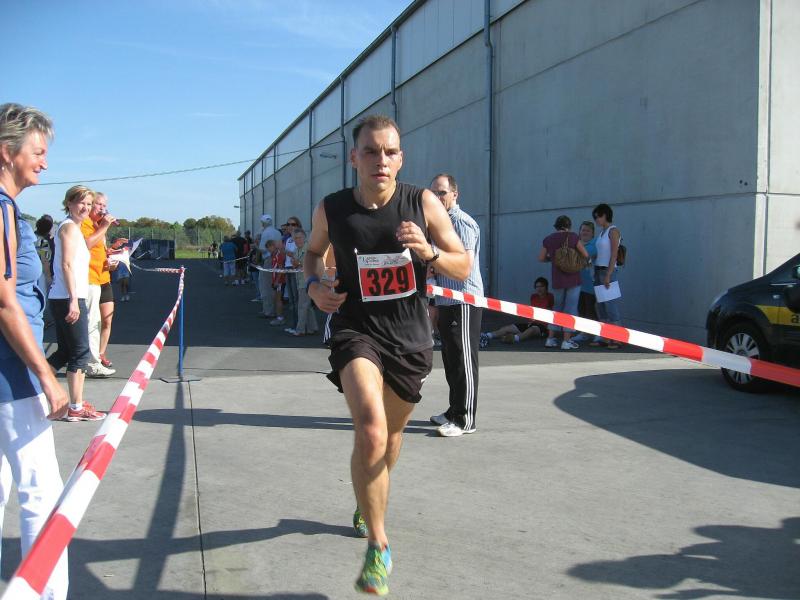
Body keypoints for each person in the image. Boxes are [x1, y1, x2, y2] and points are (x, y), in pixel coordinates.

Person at [304, 114, 469, 595]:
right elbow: (312, 254)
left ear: (401, 158)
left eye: (390, 151)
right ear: (353, 158)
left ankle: (366, 501)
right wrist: (314, 286)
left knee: (390, 438)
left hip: (409, 338)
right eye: (371, 151)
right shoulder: (332, 208)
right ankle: (379, 545)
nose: (381, 160)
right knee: (371, 429)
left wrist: (429, 253)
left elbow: (463, 265)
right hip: (356, 330)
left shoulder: (422, 203)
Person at [0, 102, 69, 600]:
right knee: (42, 493)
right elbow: (5, 301)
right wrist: (46, 375)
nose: (44, 162)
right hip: (10, 371)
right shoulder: (2, 208)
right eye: (37, 152)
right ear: (7, 152)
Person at [427, 173, 483, 437]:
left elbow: (465, 265)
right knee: (450, 358)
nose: (437, 198)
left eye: (442, 193)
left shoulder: (461, 223)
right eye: (433, 193)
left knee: (464, 359)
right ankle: (453, 411)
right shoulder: (440, 224)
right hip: (445, 299)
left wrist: (433, 260)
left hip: (464, 299)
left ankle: (465, 419)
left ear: (454, 195)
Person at [48, 185, 107, 423]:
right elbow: (66, 265)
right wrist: (73, 300)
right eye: (81, 202)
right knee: (80, 353)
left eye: (89, 204)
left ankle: (34, 389)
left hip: (67, 296)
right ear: (69, 203)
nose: (86, 207)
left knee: (64, 352)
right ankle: (76, 406)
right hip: (69, 298)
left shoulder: (74, 228)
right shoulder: (70, 228)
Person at [82, 191, 126, 373]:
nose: (102, 209)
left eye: (105, 206)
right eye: (99, 204)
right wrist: (104, 226)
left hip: (104, 277)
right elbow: (87, 245)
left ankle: (100, 354)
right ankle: (88, 358)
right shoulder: (84, 223)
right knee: (92, 322)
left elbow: (101, 251)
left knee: (107, 320)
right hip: (90, 279)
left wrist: (113, 252)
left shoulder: (99, 226)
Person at [539, 215, 588, 350]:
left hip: (557, 279)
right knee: (570, 308)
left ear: (556, 226)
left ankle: (550, 339)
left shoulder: (548, 239)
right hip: (573, 278)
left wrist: (553, 260)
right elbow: (585, 254)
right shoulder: (573, 237)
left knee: (557, 308)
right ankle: (566, 341)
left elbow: (541, 258)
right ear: (569, 226)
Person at [480, 277, 554, 346]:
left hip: (542, 327)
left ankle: (514, 338)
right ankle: (487, 335)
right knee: (507, 328)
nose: (539, 289)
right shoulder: (533, 297)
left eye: (541, 286)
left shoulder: (550, 296)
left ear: (546, 287)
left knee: (532, 330)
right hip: (531, 324)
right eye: (537, 287)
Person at [591, 203, 623, 349]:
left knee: (610, 305)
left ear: (605, 215)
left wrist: (609, 274)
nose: (596, 220)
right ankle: (605, 337)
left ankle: (617, 338)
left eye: (598, 216)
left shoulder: (613, 231)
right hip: (598, 270)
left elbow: (614, 254)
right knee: (601, 306)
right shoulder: (602, 232)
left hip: (607, 270)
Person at [572, 220, 598, 343]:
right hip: (577, 284)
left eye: (588, 230)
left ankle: (597, 333)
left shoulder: (594, 244)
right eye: (583, 230)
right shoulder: (576, 244)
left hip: (590, 285)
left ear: (592, 233)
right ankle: (584, 333)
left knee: (590, 310)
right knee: (581, 309)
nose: (585, 232)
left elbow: (584, 255)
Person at [288, 228, 317, 336]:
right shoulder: (297, 250)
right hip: (300, 280)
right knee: (307, 305)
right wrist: (295, 263)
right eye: (295, 238)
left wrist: (297, 263)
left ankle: (300, 330)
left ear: (305, 237)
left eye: (299, 237)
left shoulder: (309, 249)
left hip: (308, 281)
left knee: (302, 306)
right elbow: (296, 265)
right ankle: (312, 328)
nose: (297, 240)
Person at [258, 214, 282, 318]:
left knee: (266, 286)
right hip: (277, 259)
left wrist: (255, 246)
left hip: (268, 260)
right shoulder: (277, 232)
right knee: (274, 286)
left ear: (263, 223)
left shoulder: (265, 233)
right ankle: (275, 310)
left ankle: (268, 310)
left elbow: (263, 249)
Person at [283, 217, 302, 332]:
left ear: (298, 225)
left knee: (296, 299)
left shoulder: (299, 238)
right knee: (291, 299)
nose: (290, 226)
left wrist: (283, 250)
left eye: (293, 224)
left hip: (296, 269)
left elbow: (298, 255)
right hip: (288, 268)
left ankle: (298, 326)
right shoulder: (288, 239)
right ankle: (295, 325)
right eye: (288, 224)